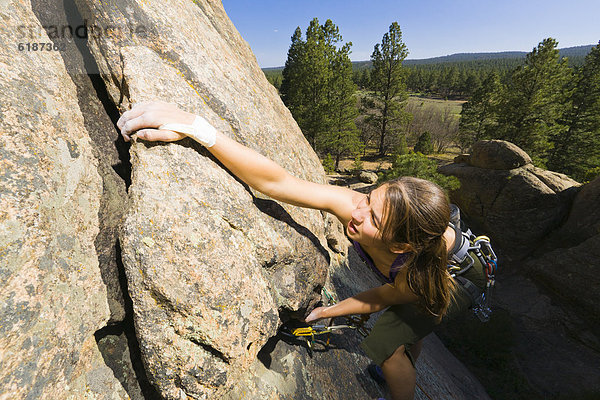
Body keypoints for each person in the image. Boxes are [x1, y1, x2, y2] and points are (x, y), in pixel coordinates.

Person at [117, 101, 485, 400]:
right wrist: (198, 128)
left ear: (401, 244)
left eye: (372, 217)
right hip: (417, 268)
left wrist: (329, 310)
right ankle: (408, 358)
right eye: (368, 199)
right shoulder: (359, 209)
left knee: (388, 347)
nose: (356, 212)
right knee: (407, 330)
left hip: (460, 279)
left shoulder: (415, 275)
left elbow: (379, 299)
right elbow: (277, 183)